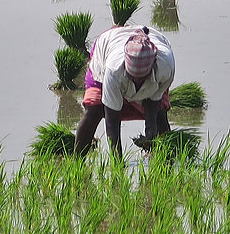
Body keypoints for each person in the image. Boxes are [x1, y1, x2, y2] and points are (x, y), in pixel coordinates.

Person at [74, 25, 175, 158]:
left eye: (142, 78)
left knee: (160, 114)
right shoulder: (113, 70)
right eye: (133, 77)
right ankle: (76, 160)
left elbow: (154, 100)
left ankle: (166, 161)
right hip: (108, 45)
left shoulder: (165, 66)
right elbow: (112, 120)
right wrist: (117, 162)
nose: (137, 81)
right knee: (94, 110)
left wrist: (150, 128)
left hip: (153, 40)